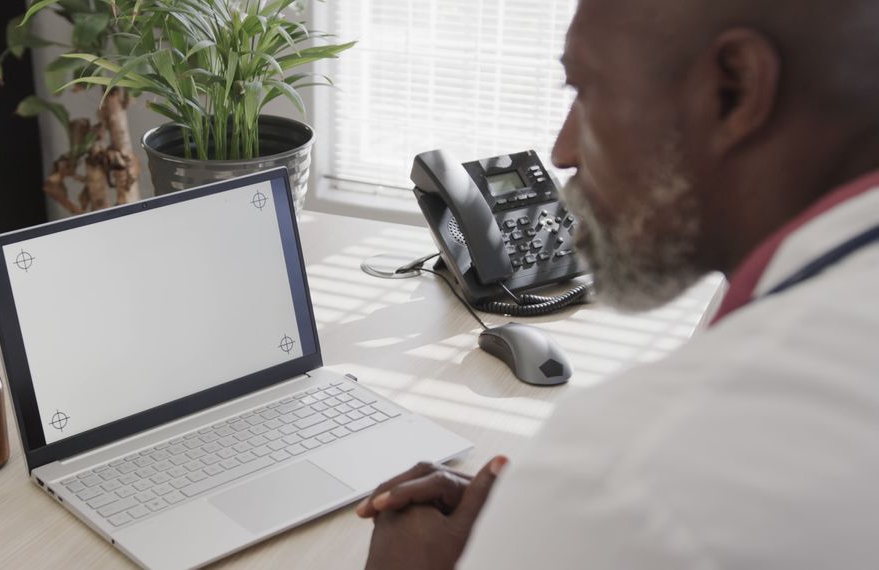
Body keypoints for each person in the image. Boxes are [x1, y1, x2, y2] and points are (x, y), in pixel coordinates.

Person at [358, 0, 879, 567]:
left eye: (586, 90)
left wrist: (571, 513)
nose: (563, 150)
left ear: (734, 89)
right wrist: (555, 530)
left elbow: (641, 499)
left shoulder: (629, 470)